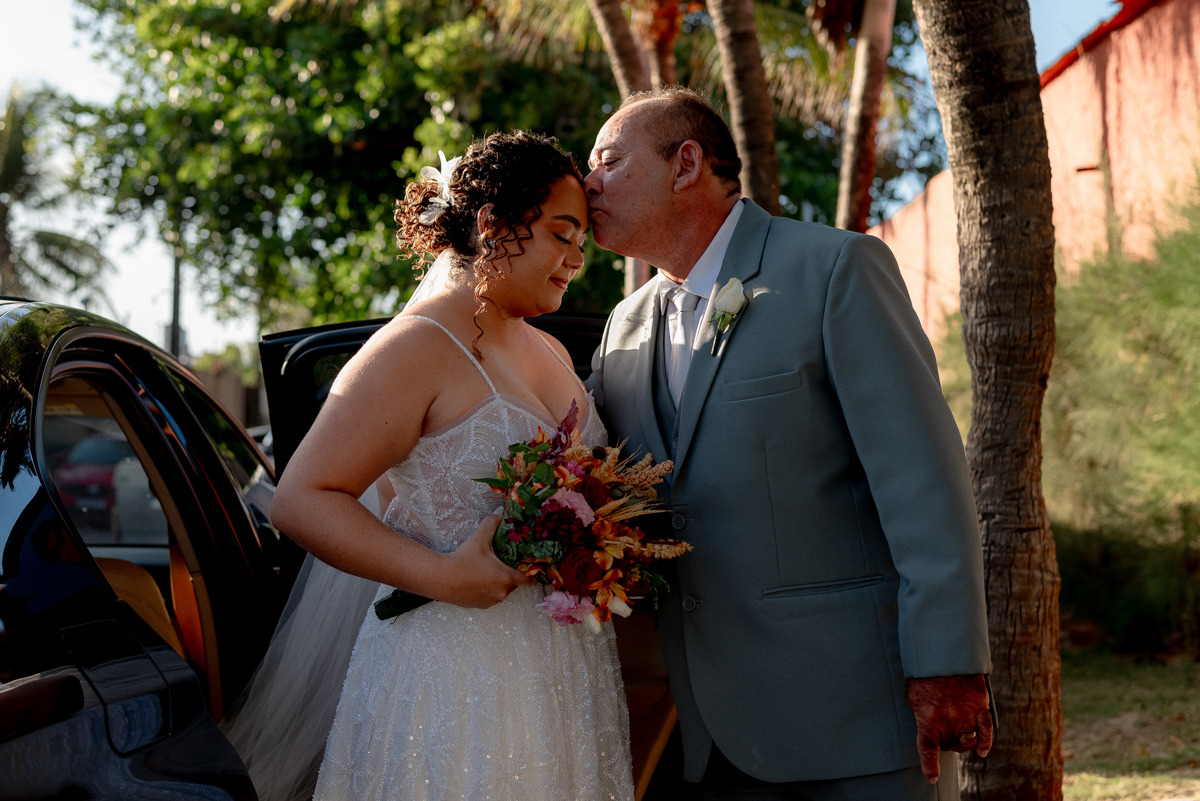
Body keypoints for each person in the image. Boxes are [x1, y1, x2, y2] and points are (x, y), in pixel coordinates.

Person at [583, 86, 993, 800]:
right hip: (705, 734)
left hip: (856, 713)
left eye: (610, 161)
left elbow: (923, 482)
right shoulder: (624, 326)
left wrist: (948, 661)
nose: (589, 183)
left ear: (686, 164)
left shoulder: (834, 269)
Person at [264, 130, 634, 801]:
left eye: (581, 239)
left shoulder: (550, 350)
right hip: (453, 674)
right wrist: (446, 576)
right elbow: (301, 498)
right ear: (494, 225)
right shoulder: (416, 346)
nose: (577, 257)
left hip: (561, 665)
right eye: (561, 233)